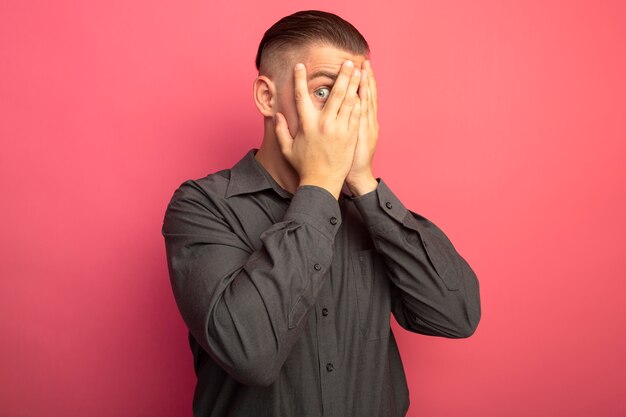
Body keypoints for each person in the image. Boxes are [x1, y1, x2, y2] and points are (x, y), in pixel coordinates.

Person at [162, 10, 481, 417]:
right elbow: (250, 354)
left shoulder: (369, 209)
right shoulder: (203, 206)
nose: (344, 115)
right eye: (325, 92)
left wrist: (363, 182)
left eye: (357, 95)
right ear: (267, 96)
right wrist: (320, 186)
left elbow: (457, 316)